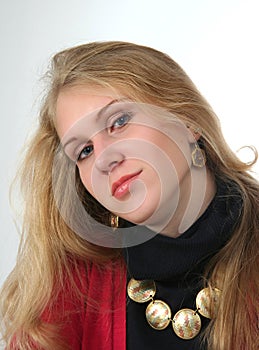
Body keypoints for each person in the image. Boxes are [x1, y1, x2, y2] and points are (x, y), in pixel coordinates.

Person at [0, 41, 258, 350]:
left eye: (119, 121)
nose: (104, 159)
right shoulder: (69, 288)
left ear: (188, 120)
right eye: (84, 151)